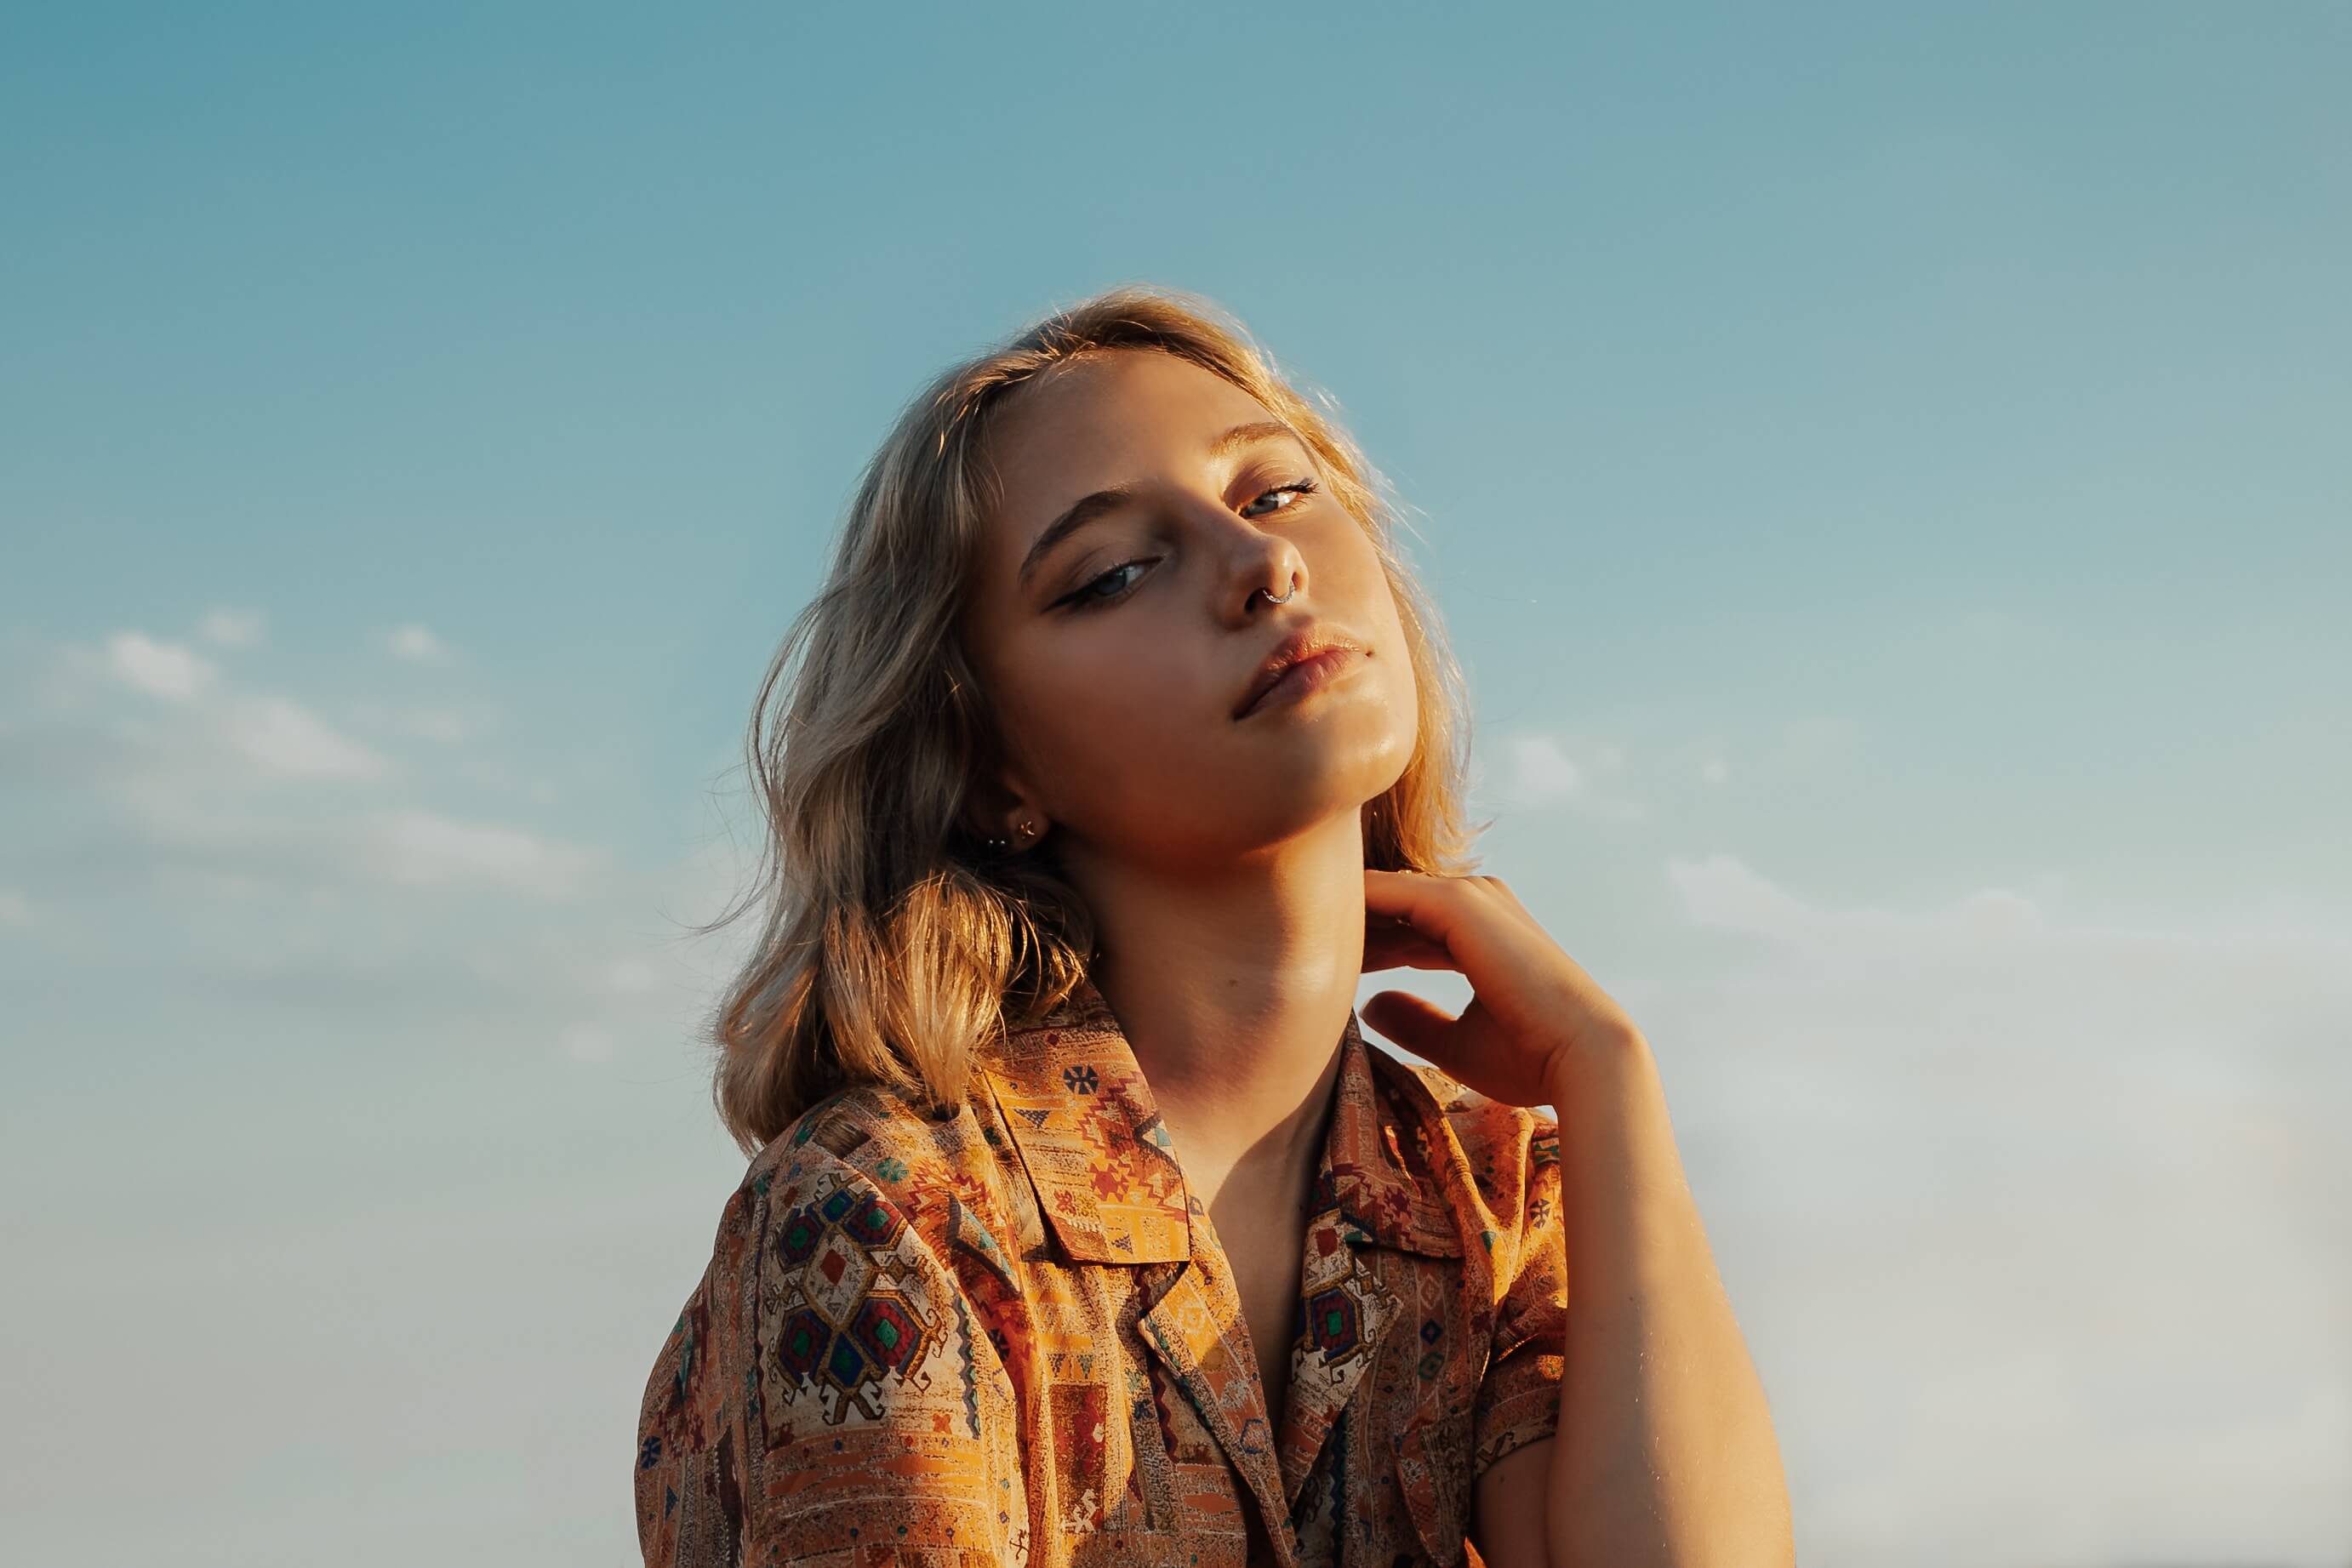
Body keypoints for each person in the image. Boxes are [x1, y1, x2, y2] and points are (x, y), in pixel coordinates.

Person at [633, 285, 1794, 1567]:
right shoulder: (887, 1216)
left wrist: (1609, 1082)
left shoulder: (1487, 1192)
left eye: (1275, 494)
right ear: (988, 767)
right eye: (1118, 571)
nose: (1263, 567)